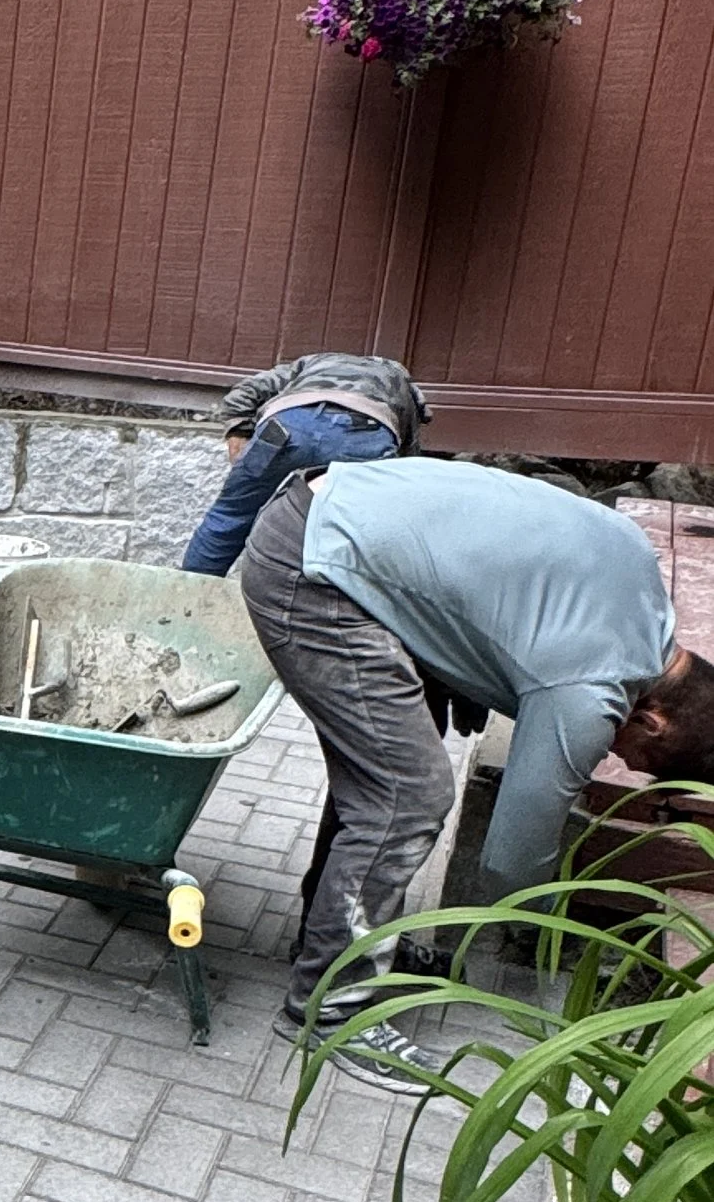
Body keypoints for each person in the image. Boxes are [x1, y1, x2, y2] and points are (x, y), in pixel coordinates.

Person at [238, 456, 714, 1087]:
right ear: (655, 722)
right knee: (408, 795)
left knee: (388, 768)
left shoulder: (639, 579)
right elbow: (510, 865)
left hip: (337, 510)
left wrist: (463, 663)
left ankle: (337, 940)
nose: (616, 760)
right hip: (314, 570)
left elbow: (507, 579)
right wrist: (555, 925)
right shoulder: (592, 688)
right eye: (640, 761)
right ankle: (330, 1011)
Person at [182, 351, 427, 576]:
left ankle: (187, 596)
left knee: (230, 515)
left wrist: (240, 432)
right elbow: (407, 459)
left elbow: (244, 392)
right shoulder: (400, 382)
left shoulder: (310, 363)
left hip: (287, 427)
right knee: (364, 536)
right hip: (362, 435)